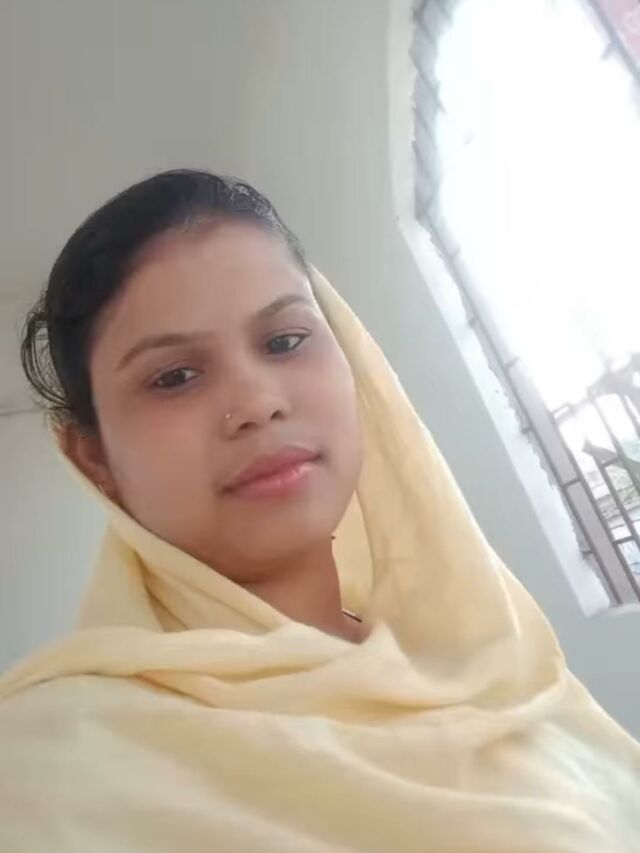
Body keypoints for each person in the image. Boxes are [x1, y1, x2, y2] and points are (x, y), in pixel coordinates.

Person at [0, 169, 638, 852]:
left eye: (284, 340)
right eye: (175, 377)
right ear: (94, 458)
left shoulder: (493, 666)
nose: (257, 402)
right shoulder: (52, 767)